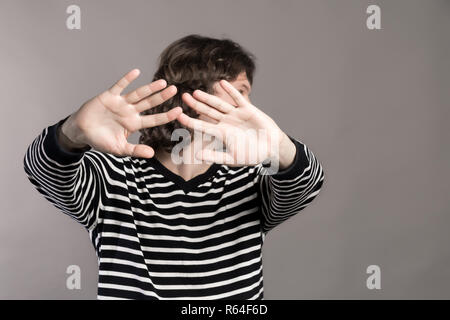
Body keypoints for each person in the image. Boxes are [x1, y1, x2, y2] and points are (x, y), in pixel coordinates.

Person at [23, 34, 325, 300]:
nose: (248, 107)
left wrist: (279, 145)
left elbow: (307, 183)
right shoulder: (113, 178)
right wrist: (75, 130)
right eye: (239, 91)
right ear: (193, 93)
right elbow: (43, 171)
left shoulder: (251, 181)